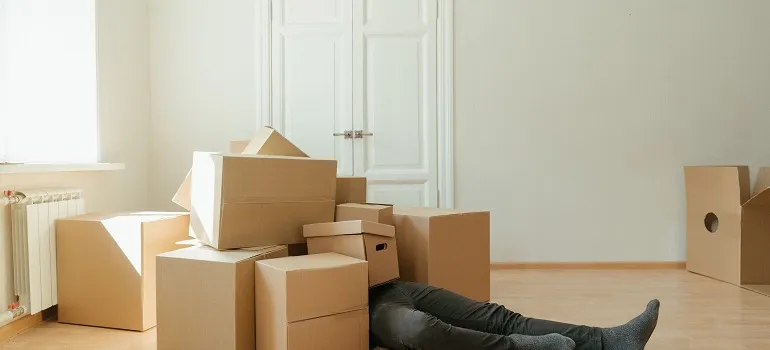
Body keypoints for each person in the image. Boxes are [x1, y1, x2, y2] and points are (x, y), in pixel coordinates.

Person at [369, 281, 659, 350]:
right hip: (358, 308)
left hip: (387, 284)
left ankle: (609, 341)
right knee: (420, 328)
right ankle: (518, 347)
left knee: (498, 316)